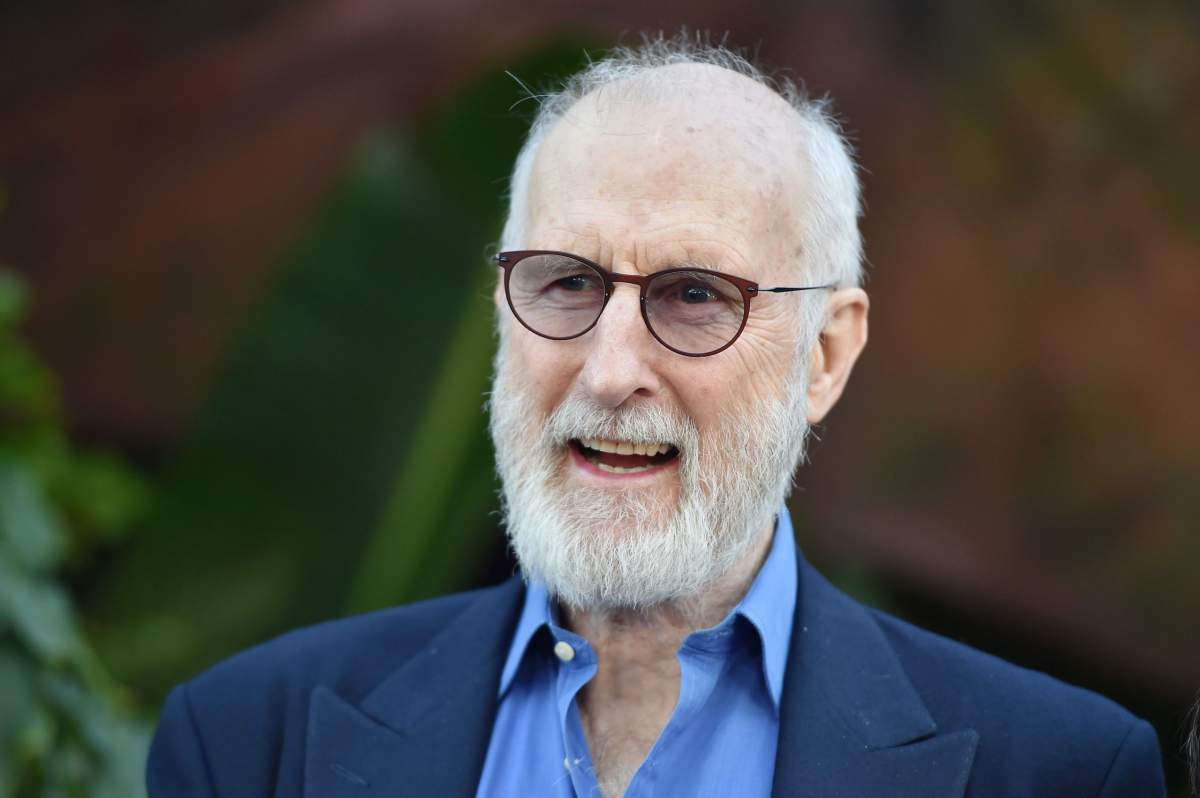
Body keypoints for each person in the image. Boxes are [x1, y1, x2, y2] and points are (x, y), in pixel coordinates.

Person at [147, 35, 1166, 797]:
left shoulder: (1061, 770)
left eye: (692, 297)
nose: (610, 371)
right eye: (563, 284)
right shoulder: (247, 744)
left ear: (825, 355)